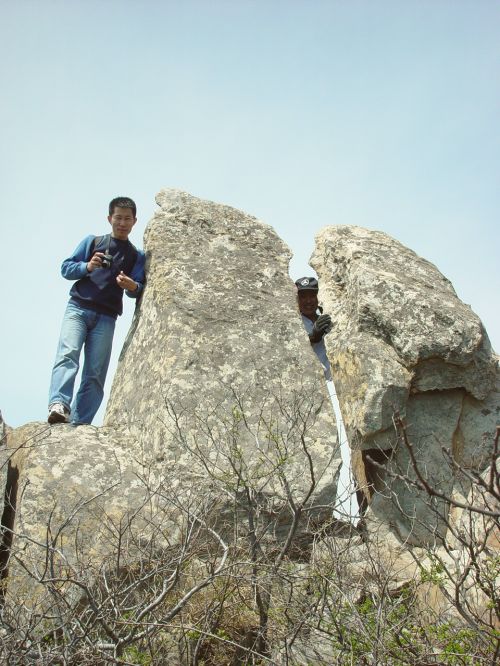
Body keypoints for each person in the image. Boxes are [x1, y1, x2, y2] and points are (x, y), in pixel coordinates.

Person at [47, 197, 146, 425]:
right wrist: (88, 266)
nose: (122, 223)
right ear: (109, 218)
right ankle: (59, 405)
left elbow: (138, 288)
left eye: (127, 219)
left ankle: (80, 422)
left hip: (107, 317)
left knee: (96, 372)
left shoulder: (136, 255)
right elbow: (66, 268)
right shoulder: (93, 241)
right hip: (78, 308)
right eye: (118, 218)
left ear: (135, 221)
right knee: (68, 354)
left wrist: (132, 286)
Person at [295, 276, 332, 379]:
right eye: (303, 297)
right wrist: (313, 337)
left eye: (312, 296)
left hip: (334, 379)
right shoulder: (294, 323)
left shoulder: (327, 319)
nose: (308, 301)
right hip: (311, 381)